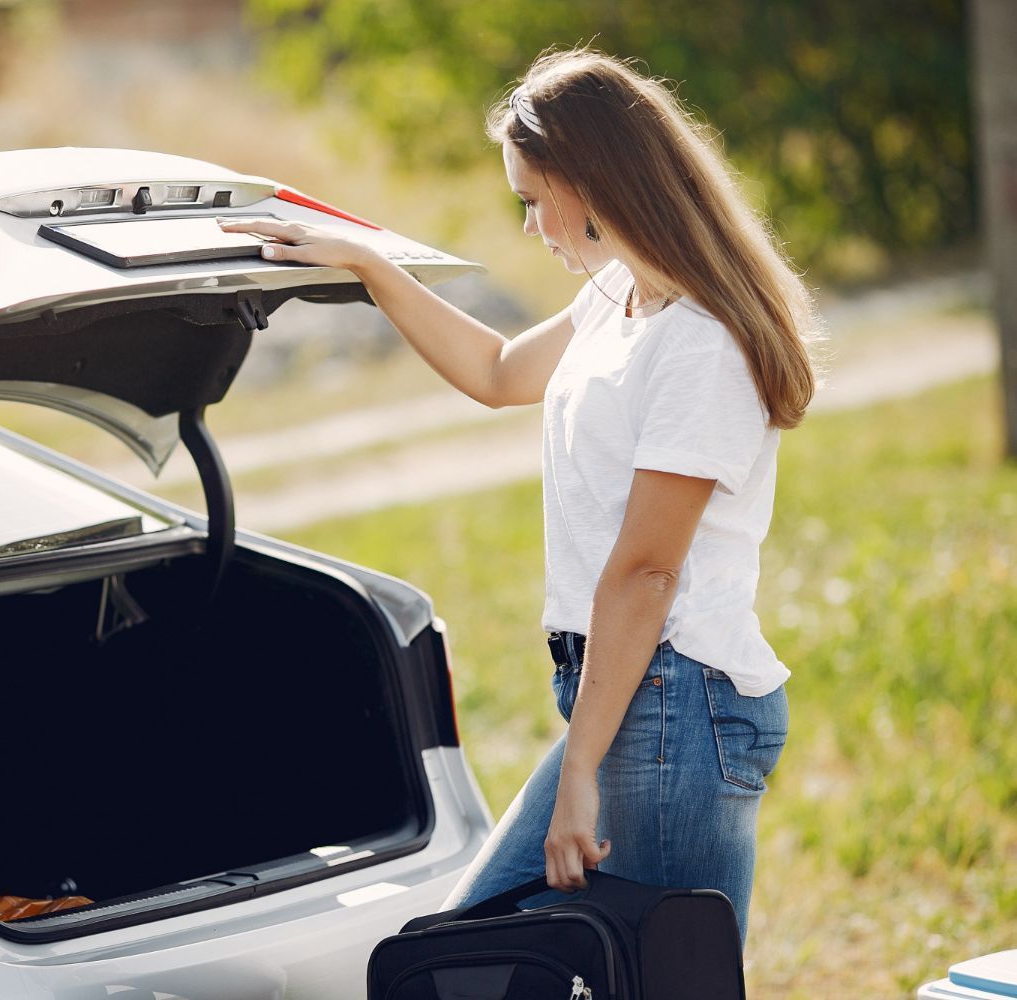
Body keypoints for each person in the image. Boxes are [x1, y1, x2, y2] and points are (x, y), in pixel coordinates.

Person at [218, 46, 818, 947]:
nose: (531, 226)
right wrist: (373, 269)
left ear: (596, 180)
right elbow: (496, 373)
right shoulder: (621, 297)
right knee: (469, 948)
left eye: (535, 199)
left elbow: (647, 573)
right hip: (627, 699)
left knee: (632, 968)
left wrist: (581, 768)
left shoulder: (700, 345)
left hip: (673, 709)